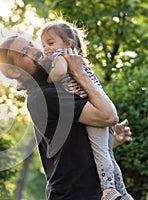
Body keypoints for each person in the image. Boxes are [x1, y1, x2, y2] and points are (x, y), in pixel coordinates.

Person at [0, 36, 132, 199]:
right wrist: (79, 71)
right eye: (25, 52)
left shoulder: (48, 90)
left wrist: (110, 140)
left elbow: (69, 151)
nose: (36, 50)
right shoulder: (44, 96)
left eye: (31, 45)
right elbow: (109, 116)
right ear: (14, 71)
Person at [40, 20, 133, 200]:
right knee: (107, 156)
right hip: (101, 103)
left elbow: (58, 73)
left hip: (92, 106)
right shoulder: (78, 61)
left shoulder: (60, 56)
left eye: (50, 43)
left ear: (67, 43)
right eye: (43, 45)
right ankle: (123, 192)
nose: (46, 49)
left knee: (102, 154)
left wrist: (49, 79)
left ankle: (108, 191)